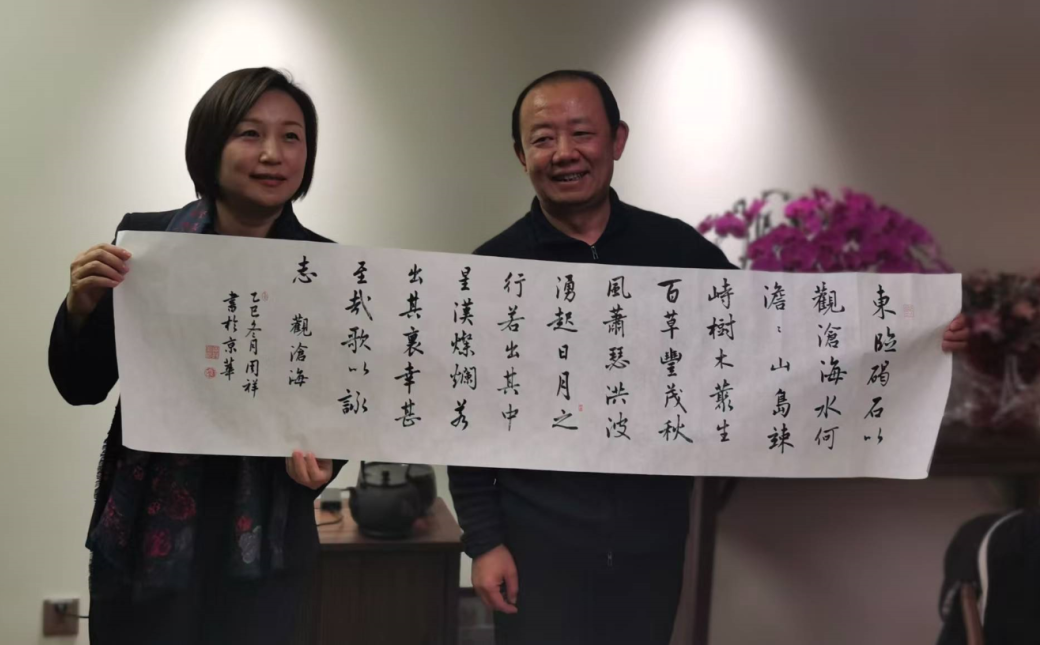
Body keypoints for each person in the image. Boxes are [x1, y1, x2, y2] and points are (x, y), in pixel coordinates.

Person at [448, 69, 970, 645]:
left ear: (617, 140)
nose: (564, 152)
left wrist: (913, 334)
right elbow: (468, 422)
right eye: (544, 138)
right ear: (521, 154)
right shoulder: (494, 271)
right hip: (534, 542)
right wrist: (485, 541)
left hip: (653, 537)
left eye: (582, 133)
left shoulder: (675, 248)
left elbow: (776, 333)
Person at [48, 67, 345, 645]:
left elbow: (338, 405)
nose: (273, 154)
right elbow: (81, 385)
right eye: (250, 133)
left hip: (264, 545)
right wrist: (80, 307)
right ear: (210, 144)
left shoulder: (327, 269)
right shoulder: (146, 244)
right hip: (144, 536)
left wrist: (328, 460)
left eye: (292, 136)